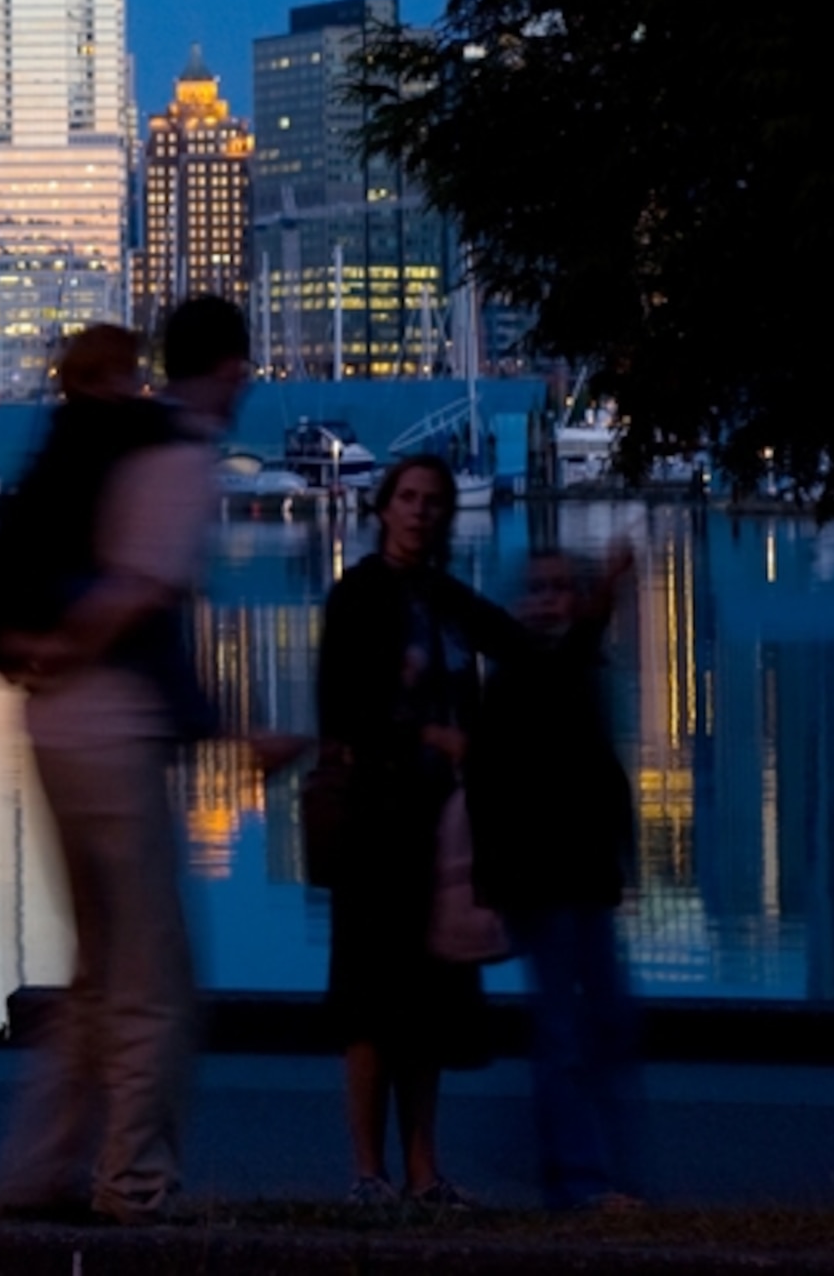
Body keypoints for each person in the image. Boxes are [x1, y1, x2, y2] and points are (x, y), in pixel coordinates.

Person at [0, 296, 251, 1225]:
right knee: (155, 981)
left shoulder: (99, 436)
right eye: (243, 371)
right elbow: (138, 589)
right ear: (230, 369)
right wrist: (71, 646)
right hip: (110, 726)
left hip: (52, 724)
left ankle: (38, 1170)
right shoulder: (176, 452)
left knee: (99, 971)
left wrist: (42, 662)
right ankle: (133, 1186)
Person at [315, 454, 524, 1211]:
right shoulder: (358, 596)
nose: (420, 512)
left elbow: (514, 647)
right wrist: (438, 739)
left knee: (428, 1003)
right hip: (376, 821)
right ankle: (369, 1173)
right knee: (372, 1004)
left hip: (439, 828)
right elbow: (343, 710)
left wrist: (581, 617)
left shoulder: (442, 596)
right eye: (407, 498)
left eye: (433, 501)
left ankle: (424, 1171)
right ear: (383, 509)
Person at [466, 543, 644, 1210]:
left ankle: (574, 1167)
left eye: (559, 587)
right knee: (571, 1031)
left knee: (599, 1025)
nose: (546, 599)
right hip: (542, 877)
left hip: (584, 874)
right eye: (537, 587)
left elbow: (601, 774)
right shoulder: (523, 670)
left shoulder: (576, 669)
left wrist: (621, 857)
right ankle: (581, 1181)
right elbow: (486, 781)